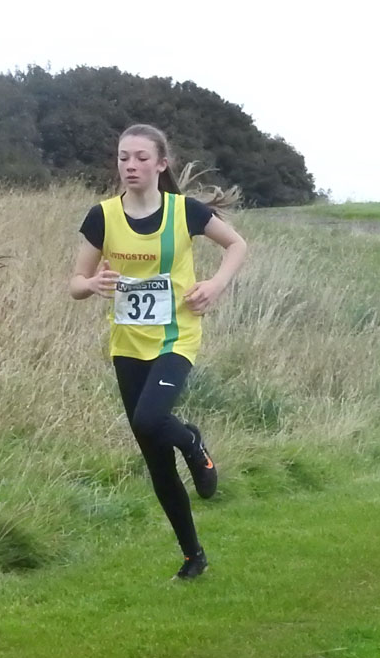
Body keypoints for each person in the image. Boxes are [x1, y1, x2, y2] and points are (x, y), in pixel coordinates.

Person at [69, 124, 247, 580]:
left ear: (161, 164)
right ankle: (193, 556)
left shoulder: (185, 211)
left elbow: (236, 244)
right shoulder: (102, 216)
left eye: (141, 158)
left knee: (150, 420)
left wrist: (215, 284)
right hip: (127, 345)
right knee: (154, 457)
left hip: (175, 337)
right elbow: (75, 283)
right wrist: (92, 284)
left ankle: (193, 441)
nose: (130, 165)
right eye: (123, 157)